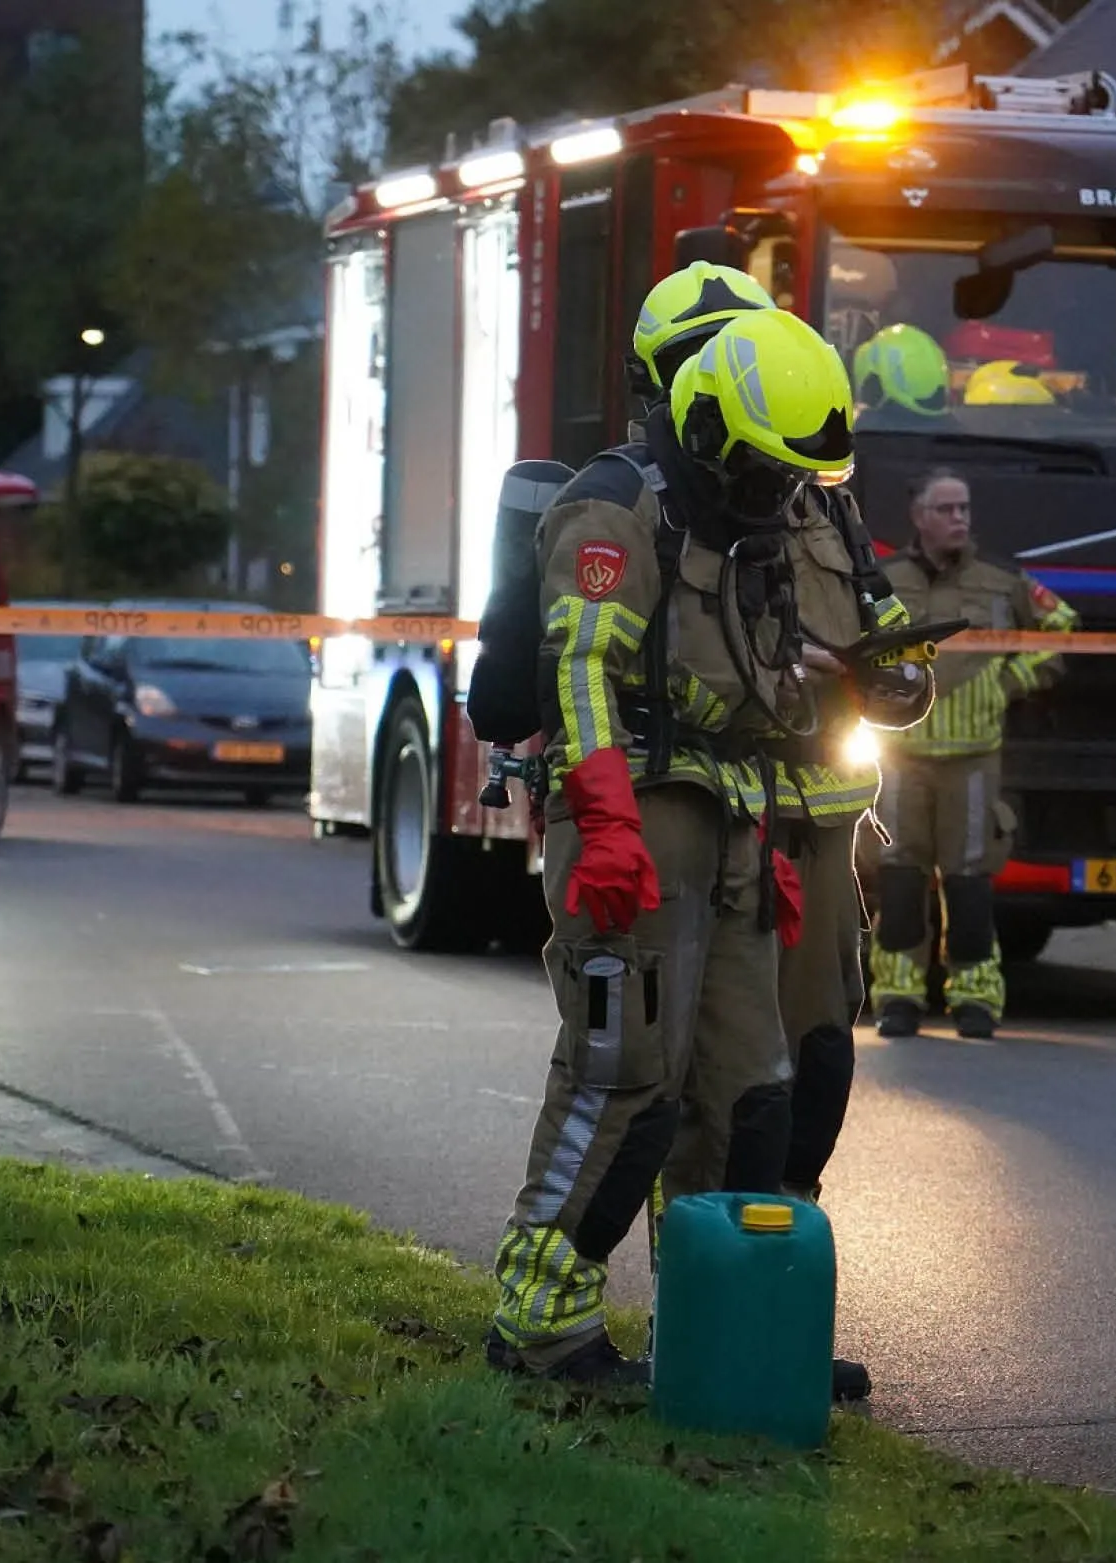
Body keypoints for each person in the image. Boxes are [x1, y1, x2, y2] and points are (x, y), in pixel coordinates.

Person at [486, 306, 859, 1387]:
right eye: (762, 471)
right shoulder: (615, 508)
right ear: (705, 430)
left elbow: (752, 672)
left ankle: (712, 1340)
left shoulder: (753, 511)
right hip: (636, 818)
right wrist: (605, 822)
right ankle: (539, 1321)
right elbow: (578, 672)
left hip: (737, 818)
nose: (776, 493)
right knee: (624, 1077)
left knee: (751, 1091)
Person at [617, 265, 934, 1404]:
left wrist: (892, 676)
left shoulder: (826, 502)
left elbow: (887, 629)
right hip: (728, 826)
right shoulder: (659, 508)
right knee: (720, 1092)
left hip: (825, 834)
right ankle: (702, 1320)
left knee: (816, 1072)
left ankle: (776, 1305)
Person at [867, 467, 1078, 1039]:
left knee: (969, 884)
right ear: (919, 517)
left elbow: (1062, 627)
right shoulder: (883, 580)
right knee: (900, 879)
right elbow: (850, 639)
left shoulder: (1002, 581)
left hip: (973, 756)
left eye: (964, 508)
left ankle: (976, 998)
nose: (959, 518)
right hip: (899, 755)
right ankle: (897, 996)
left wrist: (1011, 683)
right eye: (946, 509)